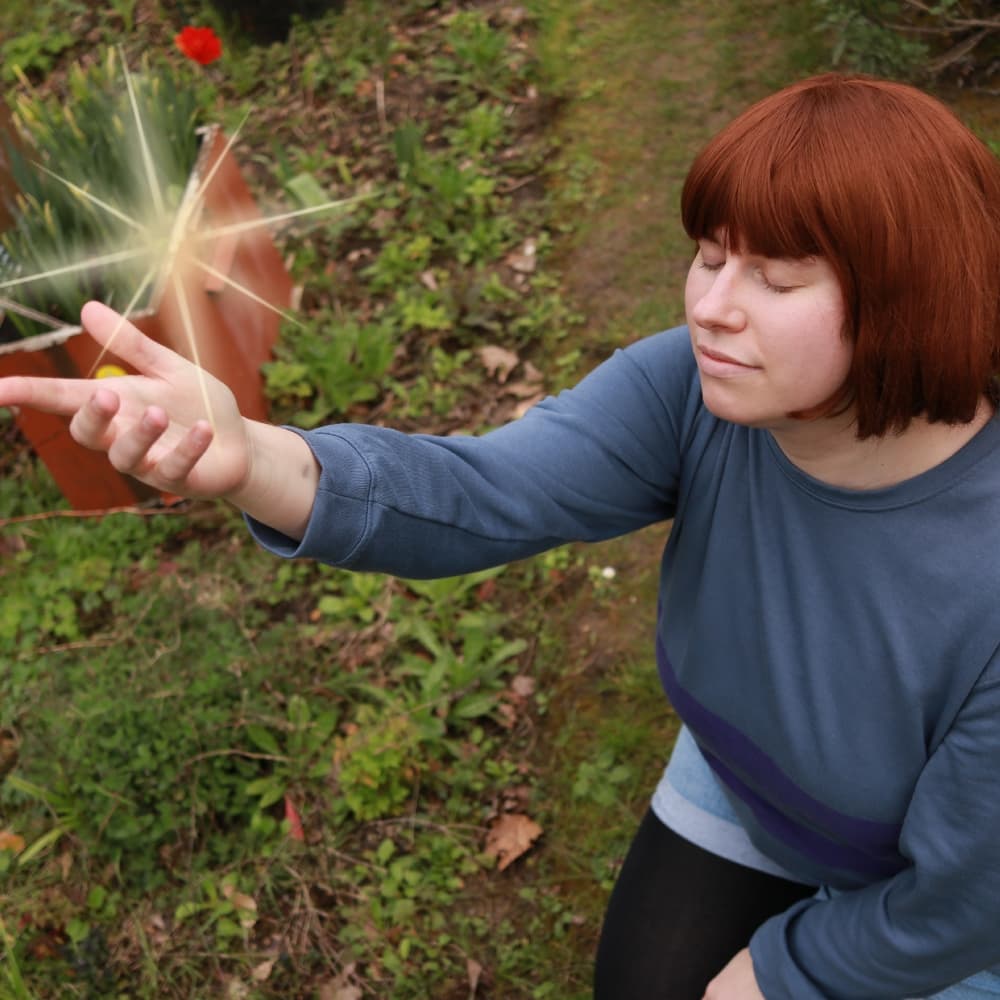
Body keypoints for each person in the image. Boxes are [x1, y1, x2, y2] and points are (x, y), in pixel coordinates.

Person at [2, 72, 999, 999]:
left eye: (775, 280)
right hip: (754, 783)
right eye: (707, 256)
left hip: (946, 900)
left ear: (909, 296)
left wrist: (782, 974)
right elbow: (482, 493)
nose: (709, 308)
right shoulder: (693, 395)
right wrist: (250, 457)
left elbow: (959, 905)